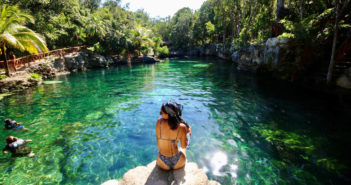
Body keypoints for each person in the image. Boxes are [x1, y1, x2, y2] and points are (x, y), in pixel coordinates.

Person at [156, 101, 191, 170]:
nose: (160, 115)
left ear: (168, 114)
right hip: (178, 162)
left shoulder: (159, 122)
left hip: (162, 163)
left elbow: (158, 141)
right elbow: (183, 146)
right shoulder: (182, 127)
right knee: (182, 148)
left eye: (161, 113)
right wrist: (187, 134)